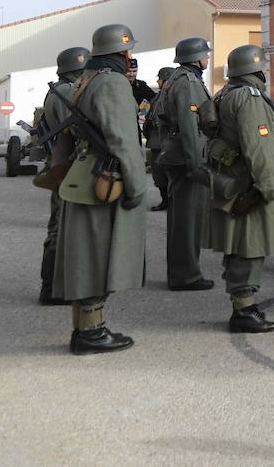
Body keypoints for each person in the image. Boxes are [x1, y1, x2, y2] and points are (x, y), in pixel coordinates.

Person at [53, 24, 147, 354]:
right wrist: (137, 186)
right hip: (103, 178)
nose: (131, 56)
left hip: (84, 174)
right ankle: (91, 333)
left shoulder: (86, 79)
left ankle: (86, 328)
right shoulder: (112, 83)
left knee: (85, 256)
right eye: (129, 51)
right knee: (96, 257)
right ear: (121, 53)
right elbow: (123, 139)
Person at [205, 44, 274, 333]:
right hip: (249, 184)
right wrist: (268, 187)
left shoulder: (227, 93)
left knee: (240, 245)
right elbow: (259, 147)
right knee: (249, 246)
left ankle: (243, 304)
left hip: (236, 179)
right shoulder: (249, 97)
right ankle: (244, 309)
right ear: (255, 69)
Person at [155, 38, 215, 292]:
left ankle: (182, 271)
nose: (208, 58)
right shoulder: (188, 83)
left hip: (177, 154)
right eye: (205, 55)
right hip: (186, 157)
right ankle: (186, 275)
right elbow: (190, 127)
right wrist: (196, 164)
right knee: (187, 220)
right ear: (195, 57)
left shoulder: (179, 79)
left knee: (183, 218)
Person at [37, 46, 89, 306]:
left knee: (58, 223)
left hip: (59, 163)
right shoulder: (68, 92)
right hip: (68, 164)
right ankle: (53, 287)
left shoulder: (55, 91)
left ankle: (53, 285)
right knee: (61, 226)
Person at [143, 68, 175, 211]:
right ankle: (166, 200)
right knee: (158, 174)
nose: (157, 81)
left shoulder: (168, 96)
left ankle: (169, 201)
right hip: (155, 141)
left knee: (164, 174)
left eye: (160, 79)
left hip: (162, 141)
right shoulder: (158, 96)